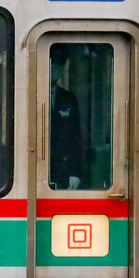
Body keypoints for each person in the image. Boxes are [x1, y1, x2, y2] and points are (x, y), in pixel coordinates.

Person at [48, 56, 83, 189]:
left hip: (62, 167)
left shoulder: (68, 98)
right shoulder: (27, 96)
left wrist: (75, 172)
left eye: (59, 68)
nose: (55, 71)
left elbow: (75, 137)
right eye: (52, 66)